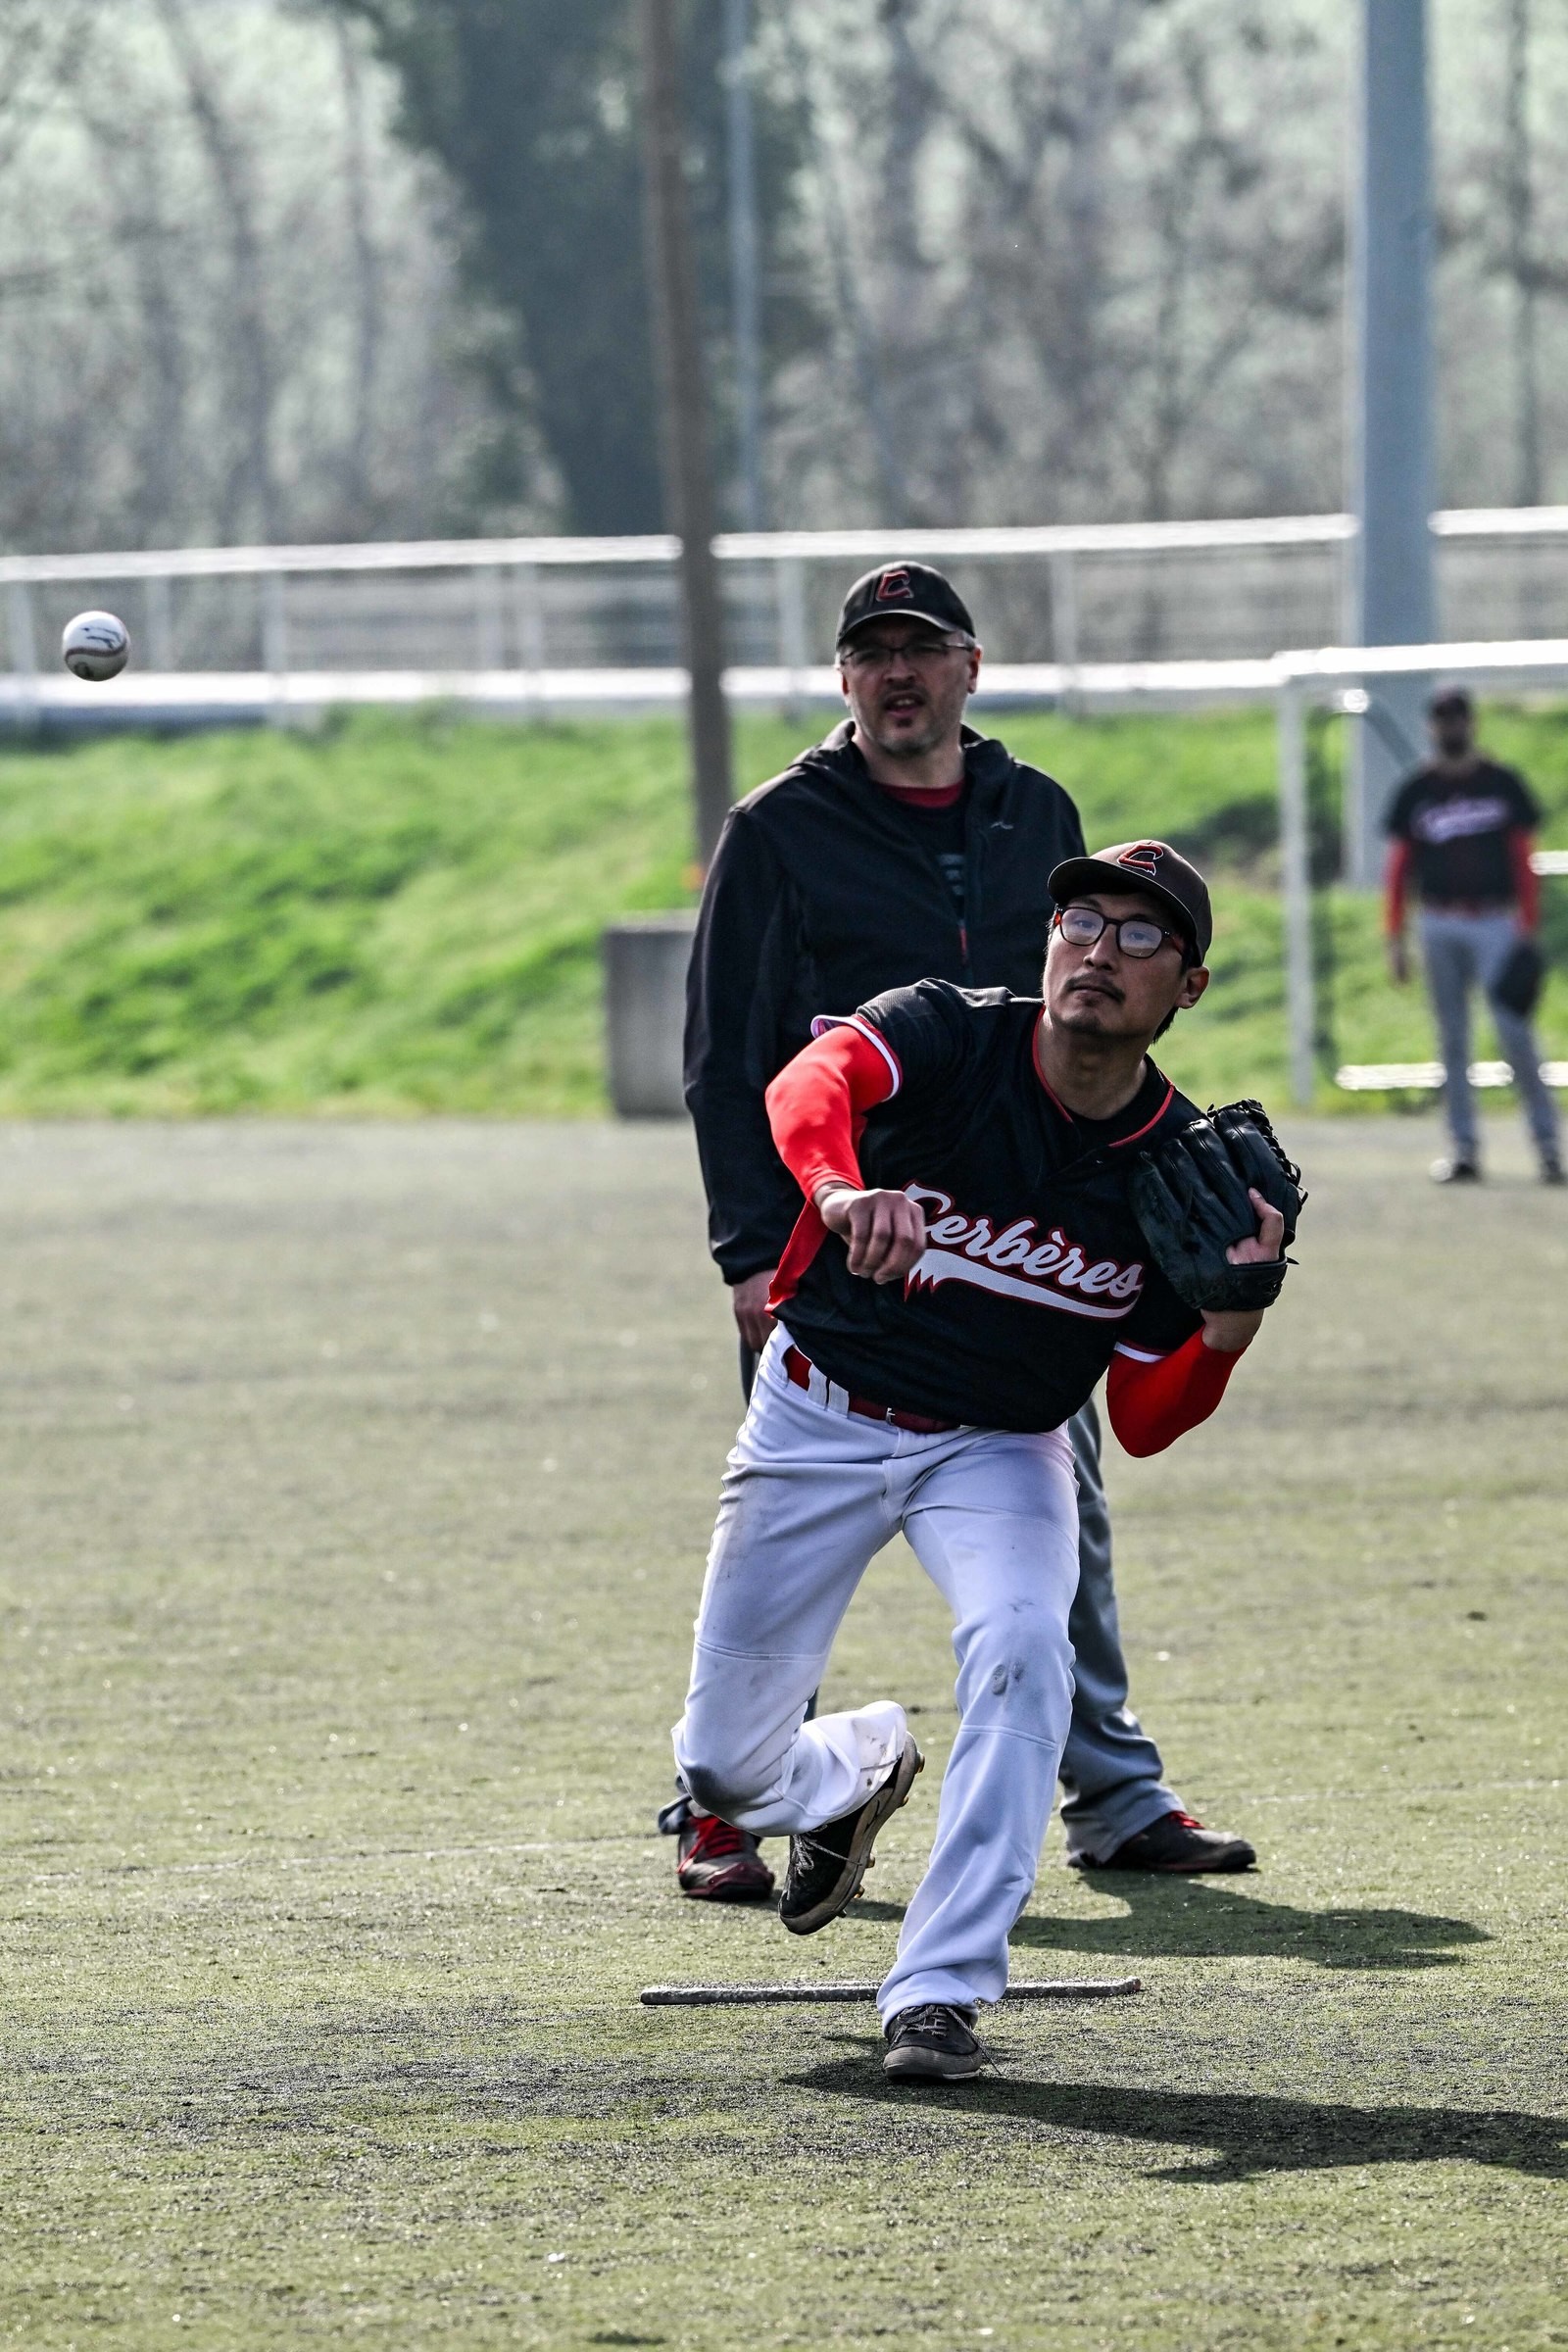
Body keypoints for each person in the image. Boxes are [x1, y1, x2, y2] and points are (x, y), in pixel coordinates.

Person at [670, 560, 1254, 1903]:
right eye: (872, 652)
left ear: (968, 668)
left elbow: (1092, 1008)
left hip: (1037, 1235)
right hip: (845, 1247)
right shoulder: (779, 829)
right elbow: (730, 1056)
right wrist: (755, 1247)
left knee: (1065, 1516)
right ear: (844, 680)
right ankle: (733, 1808)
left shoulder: (1034, 812)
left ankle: (1111, 1792)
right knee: (787, 1535)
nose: (898, 673)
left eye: (921, 649)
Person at [672, 840, 1288, 2080]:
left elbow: (1149, 1416)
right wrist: (840, 1195)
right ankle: (856, 1767)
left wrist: (1226, 1331)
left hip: (1001, 1449)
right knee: (722, 1769)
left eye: (1140, 937)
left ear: (1190, 986)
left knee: (1024, 1654)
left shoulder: (1176, 1172)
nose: (1098, 953)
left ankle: (939, 1989)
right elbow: (812, 1079)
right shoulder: (950, 1034)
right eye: (1081, 923)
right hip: (818, 1415)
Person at [1385, 684, 1563, 1186]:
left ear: (1472, 722)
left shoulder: (1501, 783)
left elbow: (1523, 858)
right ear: (1431, 726)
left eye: (1457, 717)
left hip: (1494, 921)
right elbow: (1399, 869)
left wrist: (1526, 925)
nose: (1450, 727)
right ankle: (1464, 1149)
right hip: (1438, 922)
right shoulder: (1416, 790)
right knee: (1453, 1040)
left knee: (1515, 1033)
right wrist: (1395, 936)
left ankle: (1548, 1147)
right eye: (1441, 718)